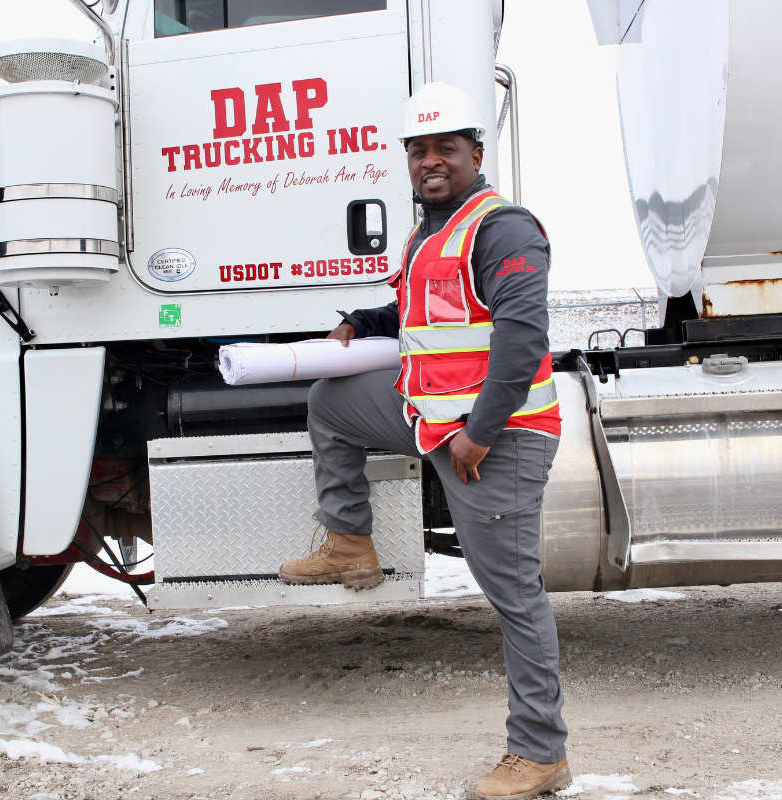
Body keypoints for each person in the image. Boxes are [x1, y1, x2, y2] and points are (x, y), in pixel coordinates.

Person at [277, 82, 570, 800]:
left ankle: (541, 753)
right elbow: (415, 309)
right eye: (418, 151)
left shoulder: (503, 228)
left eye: (445, 148)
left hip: (496, 437)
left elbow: (521, 336)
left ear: (475, 153)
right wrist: (361, 323)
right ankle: (351, 542)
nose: (430, 161)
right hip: (434, 418)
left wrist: (480, 432)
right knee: (333, 401)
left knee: (513, 595)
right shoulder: (431, 232)